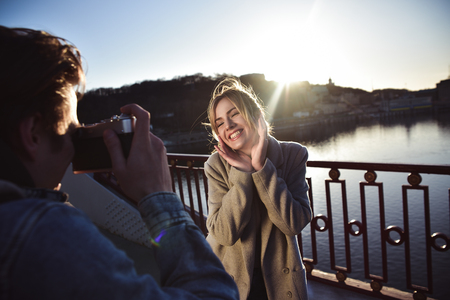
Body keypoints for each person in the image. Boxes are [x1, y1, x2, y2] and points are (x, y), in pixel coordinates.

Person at [0, 26, 239, 300]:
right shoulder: (44, 233)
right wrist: (159, 198)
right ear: (32, 134)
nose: (74, 149)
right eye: (72, 132)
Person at [204, 77, 312, 300]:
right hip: (230, 278)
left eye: (234, 114)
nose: (229, 126)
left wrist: (262, 168)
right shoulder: (215, 165)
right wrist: (242, 175)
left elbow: (293, 223)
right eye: (220, 122)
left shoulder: (293, 155)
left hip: (280, 278)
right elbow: (224, 234)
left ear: (256, 115)